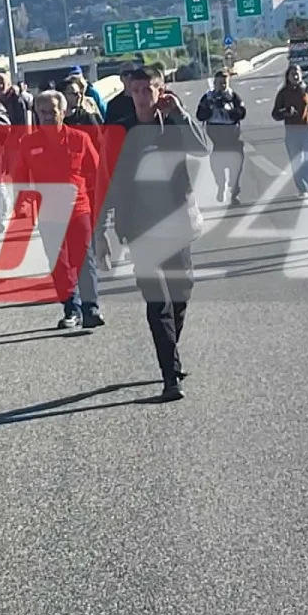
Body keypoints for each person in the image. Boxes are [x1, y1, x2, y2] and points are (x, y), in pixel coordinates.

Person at [104, 65, 210, 402]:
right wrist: (101, 229)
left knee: (181, 293)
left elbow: (203, 147)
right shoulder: (120, 131)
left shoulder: (173, 124)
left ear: (160, 89)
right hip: (139, 229)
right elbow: (107, 180)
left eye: (147, 89)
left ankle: (171, 347)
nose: (141, 96)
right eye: (135, 90)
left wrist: (180, 114)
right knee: (158, 302)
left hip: (176, 225)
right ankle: (170, 373)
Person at [16, 90, 103, 330]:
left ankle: (91, 308)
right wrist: (22, 202)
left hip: (79, 210)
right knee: (60, 263)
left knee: (85, 259)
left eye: (51, 111)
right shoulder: (28, 143)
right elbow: (21, 176)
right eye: (41, 112)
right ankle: (70, 308)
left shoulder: (79, 139)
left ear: (62, 112)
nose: (46, 116)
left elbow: (96, 172)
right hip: (48, 213)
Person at [196, 70, 247, 204]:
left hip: (231, 135)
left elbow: (242, 113)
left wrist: (228, 110)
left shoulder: (233, 97)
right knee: (217, 167)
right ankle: (220, 185)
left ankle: (234, 193)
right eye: (219, 83)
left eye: (225, 83)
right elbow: (199, 115)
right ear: (214, 83)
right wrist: (211, 108)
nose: (222, 86)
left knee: (236, 165)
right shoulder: (207, 97)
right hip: (215, 136)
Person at [271, 64, 308, 197]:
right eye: (292, 74)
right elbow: (275, 114)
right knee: (296, 161)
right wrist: (285, 111)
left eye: (297, 73)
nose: (295, 76)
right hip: (292, 131)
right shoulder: (283, 93)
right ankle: (302, 189)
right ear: (288, 77)